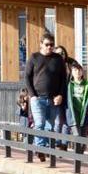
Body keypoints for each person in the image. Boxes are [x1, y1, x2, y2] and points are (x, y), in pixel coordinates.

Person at [24, 33, 68, 162]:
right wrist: (32, 95)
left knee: (50, 125)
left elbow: (63, 79)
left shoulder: (58, 59)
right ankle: (40, 149)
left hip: (53, 98)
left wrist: (60, 95)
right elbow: (27, 77)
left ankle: (47, 148)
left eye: (51, 45)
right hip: (38, 98)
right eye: (47, 45)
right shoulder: (34, 58)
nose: (49, 47)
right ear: (41, 44)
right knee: (39, 123)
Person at [53, 45, 77, 148]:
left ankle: (64, 144)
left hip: (68, 97)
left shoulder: (71, 63)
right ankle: (56, 142)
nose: (61, 55)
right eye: (58, 53)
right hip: (57, 95)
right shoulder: (52, 64)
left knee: (67, 121)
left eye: (62, 53)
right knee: (58, 121)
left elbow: (79, 73)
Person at [65, 62, 88, 140]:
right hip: (73, 114)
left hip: (84, 114)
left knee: (83, 137)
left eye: (79, 70)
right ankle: (77, 151)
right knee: (77, 135)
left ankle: (80, 152)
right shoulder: (69, 85)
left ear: (82, 72)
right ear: (72, 72)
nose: (77, 72)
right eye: (75, 70)